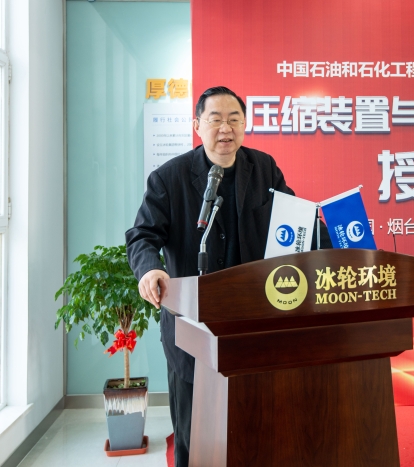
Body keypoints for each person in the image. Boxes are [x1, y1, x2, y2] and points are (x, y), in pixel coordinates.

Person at [125, 86, 330, 467]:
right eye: (216, 119)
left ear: (245, 124)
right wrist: (150, 268)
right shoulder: (169, 178)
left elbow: (295, 221)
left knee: (253, 425)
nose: (226, 128)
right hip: (192, 326)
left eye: (234, 119)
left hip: (252, 323)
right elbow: (142, 235)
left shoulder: (264, 168)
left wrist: (338, 241)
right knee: (194, 432)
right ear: (197, 126)